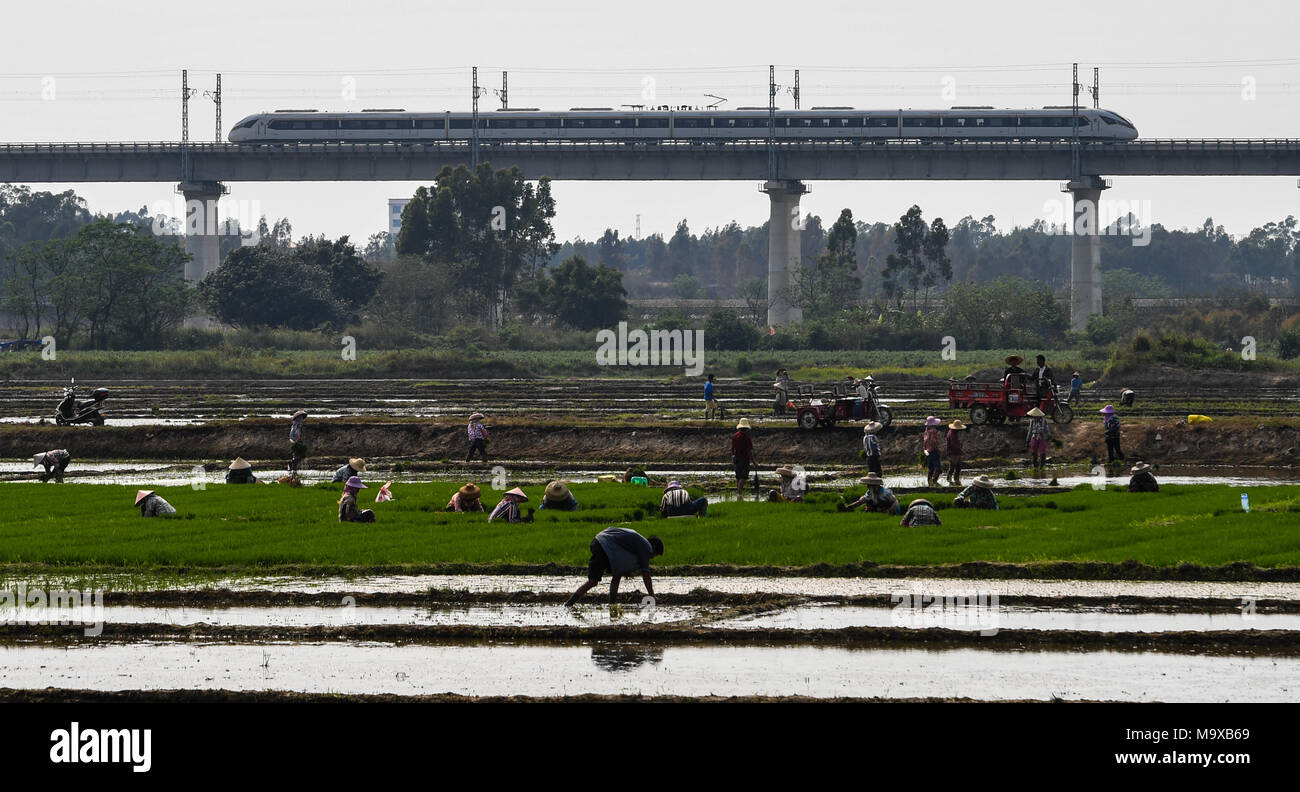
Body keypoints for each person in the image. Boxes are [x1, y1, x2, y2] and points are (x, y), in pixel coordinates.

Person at [564, 526, 664, 606]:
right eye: (656, 555)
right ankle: (569, 604)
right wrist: (652, 596)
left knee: (617, 575)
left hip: (602, 542)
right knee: (593, 581)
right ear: (654, 548)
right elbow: (646, 574)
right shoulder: (647, 548)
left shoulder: (639, 542)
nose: (652, 557)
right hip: (603, 545)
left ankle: (612, 604)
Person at [731, 418, 756, 499]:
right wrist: (754, 462)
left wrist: (733, 457)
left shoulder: (734, 436)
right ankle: (739, 493)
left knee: (738, 476)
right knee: (743, 476)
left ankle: (739, 493)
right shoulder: (746, 437)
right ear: (746, 428)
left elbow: (732, 449)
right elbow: (749, 451)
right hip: (745, 459)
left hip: (736, 458)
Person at [1025, 407, 1052, 476]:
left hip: (1042, 437)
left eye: (1035, 416)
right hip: (1034, 437)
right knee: (1034, 453)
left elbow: (1046, 429)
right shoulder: (1032, 421)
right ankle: (1035, 467)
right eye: (1034, 416)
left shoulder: (1043, 421)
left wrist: (1049, 436)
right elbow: (1030, 430)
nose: (1034, 417)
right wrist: (1027, 440)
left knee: (1042, 453)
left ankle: (1042, 466)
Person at [922, 416, 943, 487]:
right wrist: (938, 450)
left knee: (930, 468)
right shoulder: (933, 431)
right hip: (933, 451)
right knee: (938, 468)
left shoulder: (926, 431)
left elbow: (925, 444)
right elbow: (934, 442)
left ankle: (929, 483)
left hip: (927, 452)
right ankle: (934, 481)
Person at [946, 419, 966, 486]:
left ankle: (955, 479)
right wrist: (961, 451)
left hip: (955, 452)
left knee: (958, 466)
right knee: (953, 466)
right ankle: (949, 479)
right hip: (953, 453)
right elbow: (954, 444)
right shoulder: (952, 434)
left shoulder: (952, 432)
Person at [287, 410, 308, 477]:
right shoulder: (298, 424)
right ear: (298, 417)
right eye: (301, 417)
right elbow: (297, 432)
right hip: (296, 440)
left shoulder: (294, 423)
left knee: (296, 455)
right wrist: (298, 439)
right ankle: (293, 467)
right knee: (299, 455)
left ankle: (293, 467)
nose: (302, 418)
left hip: (292, 440)